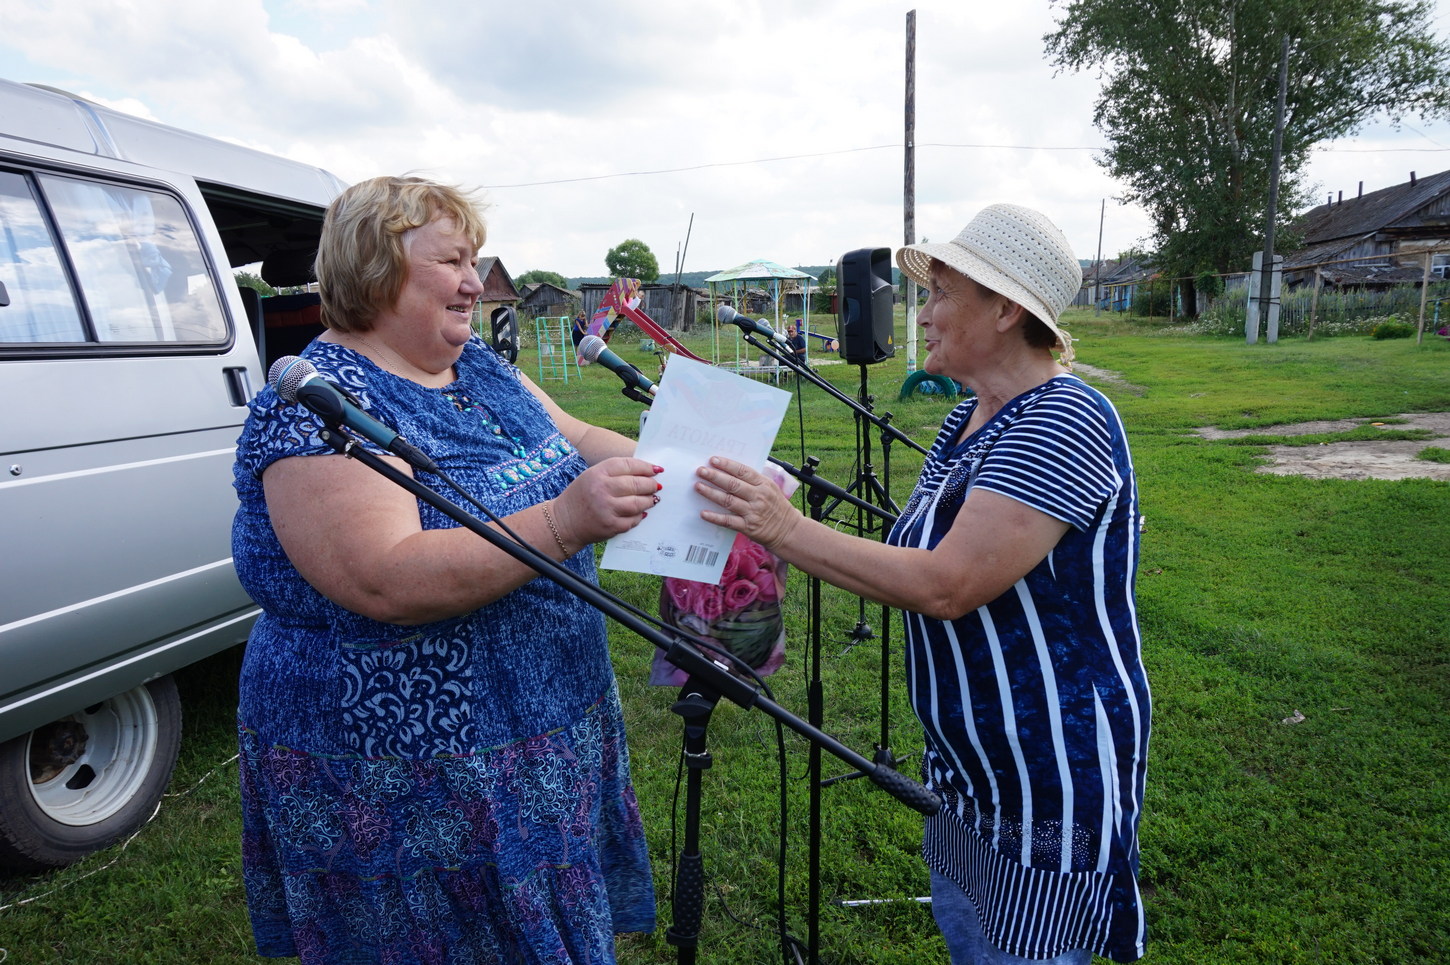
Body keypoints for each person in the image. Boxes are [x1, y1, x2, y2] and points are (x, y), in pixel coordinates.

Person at [694, 204, 1149, 964]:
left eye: (940, 294)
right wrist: (788, 513)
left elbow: (948, 584)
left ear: (1005, 309)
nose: (923, 313)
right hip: (971, 765)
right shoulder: (968, 418)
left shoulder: (1068, 416)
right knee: (972, 937)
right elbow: (917, 555)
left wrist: (785, 528)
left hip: (1047, 772)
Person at [231, 175, 660, 964]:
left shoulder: (479, 367)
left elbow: (578, 435)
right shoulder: (316, 406)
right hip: (409, 769)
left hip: (543, 725)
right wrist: (566, 520)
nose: (474, 281)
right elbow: (385, 578)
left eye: (476, 258)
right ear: (375, 268)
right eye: (453, 261)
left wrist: (687, 471)